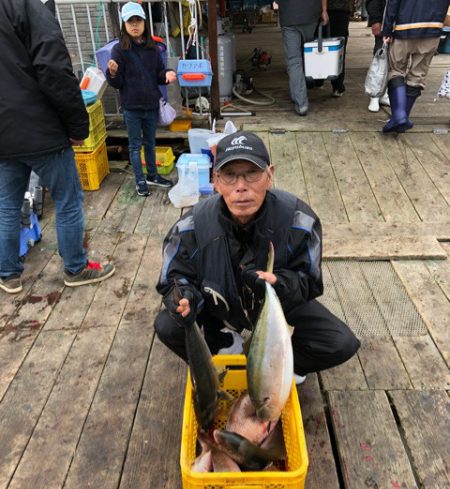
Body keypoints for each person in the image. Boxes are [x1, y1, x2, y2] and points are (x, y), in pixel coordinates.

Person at [155, 131, 360, 382]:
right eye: (229, 175)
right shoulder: (190, 226)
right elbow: (175, 278)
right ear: (215, 181)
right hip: (219, 306)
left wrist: (280, 284)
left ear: (269, 175)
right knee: (168, 325)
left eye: (252, 173)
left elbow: (309, 280)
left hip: (277, 309)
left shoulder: (300, 221)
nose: (241, 186)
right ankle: (223, 342)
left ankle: (285, 366)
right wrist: (184, 298)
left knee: (341, 343)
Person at [0, 0, 115, 295]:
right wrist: (78, 126)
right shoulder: (27, 6)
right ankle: (75, 268)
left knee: (6, 206)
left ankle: (8, 274)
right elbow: (53, 68)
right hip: (42, 131)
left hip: (4, 134)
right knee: (67, 199)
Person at [106, 2, 177, 197]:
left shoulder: (153, 48)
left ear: (144, 22)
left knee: (151, 143)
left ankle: (153, 175)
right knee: (135, 146)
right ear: (124, 25)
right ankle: (140, 180)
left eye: (138, 20)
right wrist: (111, 72)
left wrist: (168, 74)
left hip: (151, 105)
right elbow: (117, 83)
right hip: (132, 107)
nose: (135, 25)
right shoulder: (119, 50)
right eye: (130, 21)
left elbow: (158, 74)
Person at [381, 0, 450, 133]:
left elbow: (393, 3)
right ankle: (402, 117)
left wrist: (387, 29)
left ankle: (399, 116)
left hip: (404, 28)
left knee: (396, 71)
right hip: (432, 28)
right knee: (417, 76)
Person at [277, 0, 329, 116]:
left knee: (294, 60)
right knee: (307, 53)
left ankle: (301, 103)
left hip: (289, 16)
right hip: (310, 14)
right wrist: (324, 11)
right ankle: (303, 87)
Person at [366, 0, 391, 111]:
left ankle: (385, 93)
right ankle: (375, 96)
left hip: (401, 23)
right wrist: (376, 20)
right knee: (380, 59)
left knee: (396, 62)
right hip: (384, 20)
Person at [325, 0, 353, 97]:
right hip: (342, 11)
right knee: (339, 49)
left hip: (325, 10)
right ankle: (337, 86)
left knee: (322, 46)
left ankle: (318, 79)